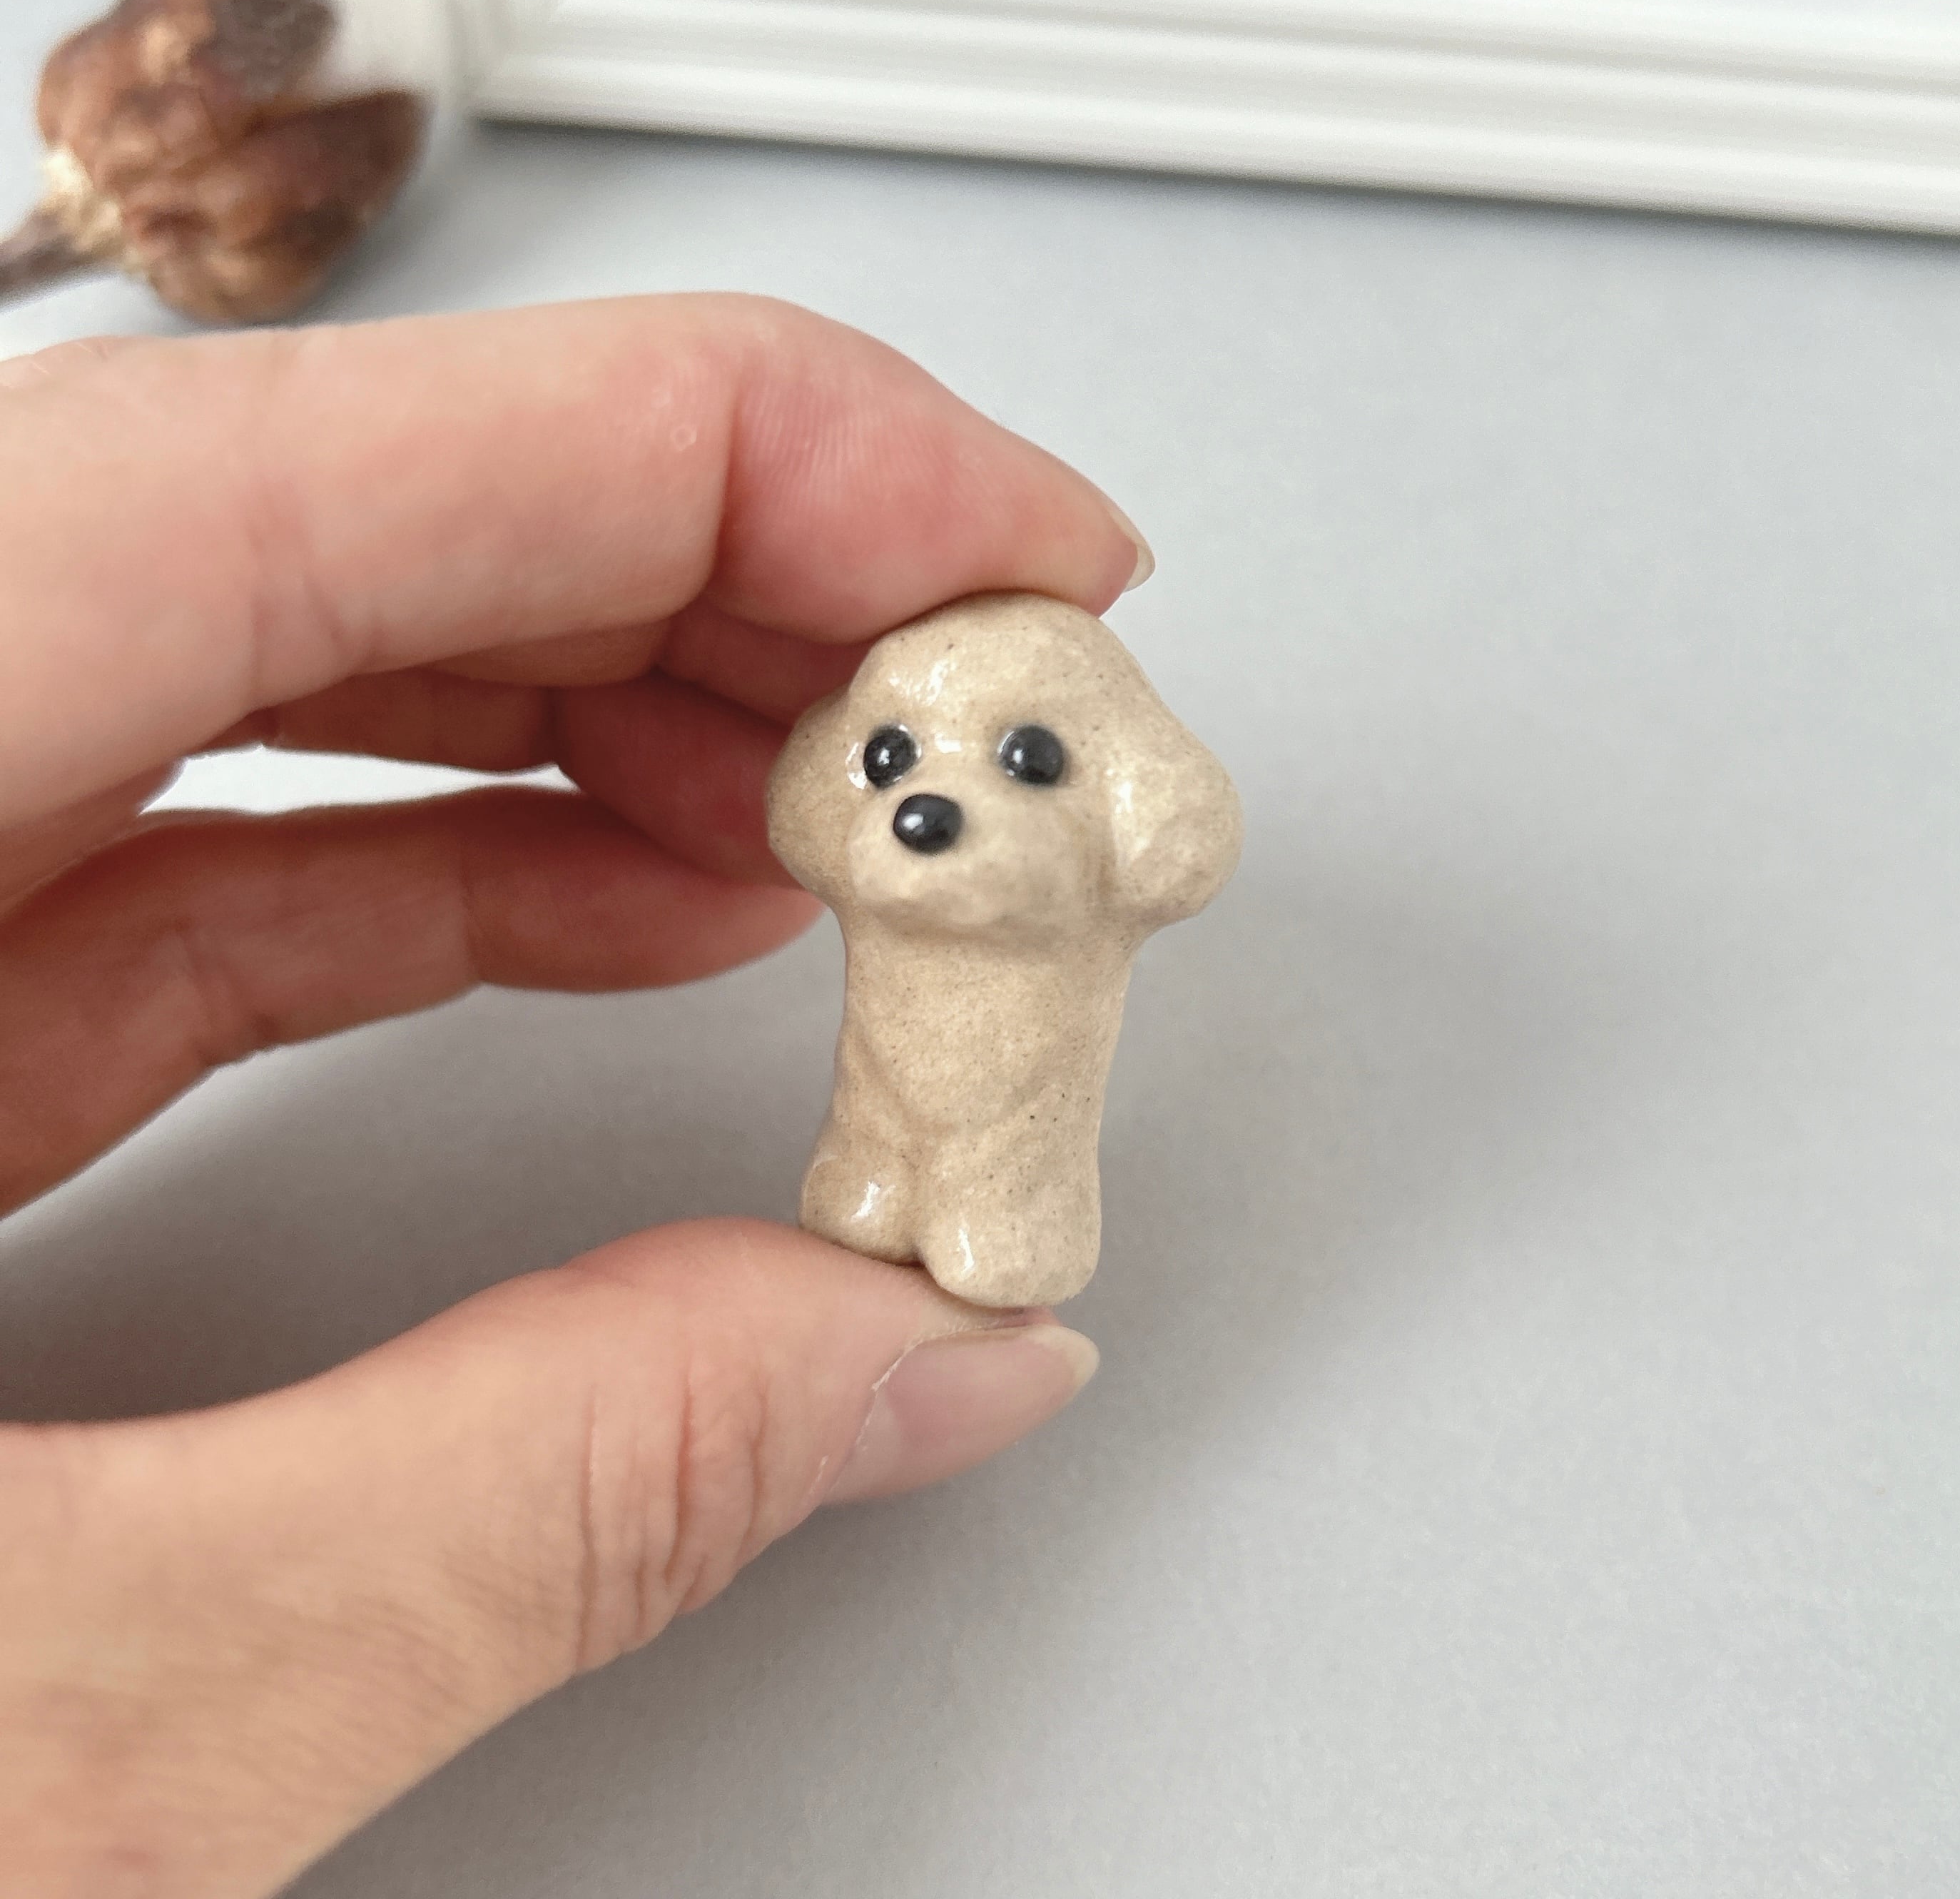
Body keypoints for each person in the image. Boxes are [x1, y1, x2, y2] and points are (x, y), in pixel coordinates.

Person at [0, 295, 1147, 1894]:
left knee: (1004, 1155)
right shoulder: (845, 831)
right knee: (877, 1136)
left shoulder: (1111, 870)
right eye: (895, 763)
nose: (932, 807)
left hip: (1024, 1087)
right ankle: (895, 1179)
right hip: (885, 1094)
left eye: (1024, 762)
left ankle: (1000, 1198)